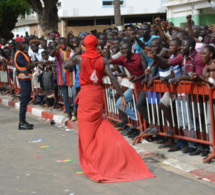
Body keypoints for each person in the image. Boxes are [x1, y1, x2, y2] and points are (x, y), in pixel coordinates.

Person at [65, 35, 155, 183]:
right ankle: (104, 155)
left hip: (87, 94)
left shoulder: (79, 58)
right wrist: (122, 96)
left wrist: (76, 51)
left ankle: (93, 159)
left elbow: (66, 66)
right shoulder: (103, 60)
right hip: (97, 93)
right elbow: (113, 79)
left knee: (87, 128)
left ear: (85, 44)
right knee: (98, 124)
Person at [14, 37, 35, 130]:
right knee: (24, 101)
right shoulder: (19, 54)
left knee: (25, 100)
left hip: (26, 79)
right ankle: (21, 122)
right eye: (22, 43)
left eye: (25, 43)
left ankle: (23, 121)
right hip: (24, 79)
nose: (24, 45)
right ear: (18, 44)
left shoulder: (22, 53)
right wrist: (37, 63)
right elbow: (28, 65)